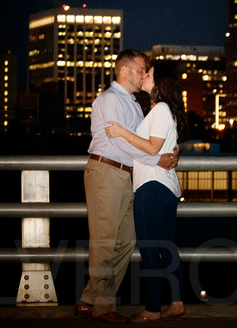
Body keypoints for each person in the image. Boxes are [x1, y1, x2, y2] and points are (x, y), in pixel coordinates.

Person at [76, 50, 178, 324]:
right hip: (107, 171)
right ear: (125, 71)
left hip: (127, 176)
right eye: (142, 69)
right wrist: (159, 159)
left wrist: (168, 151)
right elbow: (123, 142)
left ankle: (89, 300)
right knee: (104, 241)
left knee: (125, 241)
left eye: (147, 71)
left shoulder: (134, 103)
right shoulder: (109, 100)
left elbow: (140, 139)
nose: (145, 74)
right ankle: (103, 308)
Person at [105, 62, 187, 323]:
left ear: (159, 81)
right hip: (164, 186)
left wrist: (121, 132)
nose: (144, 76)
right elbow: (160, 148)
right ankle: (176, 302)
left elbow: (152, 149)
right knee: (167, 248)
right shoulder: (163, 110)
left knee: (151, 248)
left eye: (149, 74)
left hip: (151, 186)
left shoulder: (161, 109)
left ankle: (152, 308)